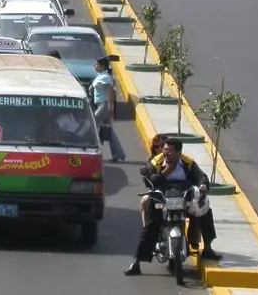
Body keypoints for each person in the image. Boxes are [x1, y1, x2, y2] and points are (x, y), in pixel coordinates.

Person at [125, 137, 221, 276]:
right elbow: (149, 176)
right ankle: (137, 262)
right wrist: (160, 173)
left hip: (183, 197)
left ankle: (207, 248)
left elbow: (201, 176)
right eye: (165, 150)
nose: (166, 154)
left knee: (205, 212)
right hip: (162, 197)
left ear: (179, 152)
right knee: (151, 225)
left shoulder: (187, 162)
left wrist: (203, 185)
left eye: (169, 151)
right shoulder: (157, 161)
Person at [91, 57, 126, 162]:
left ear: (102, 66)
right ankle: (118, 154)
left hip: (104, 105)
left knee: (91, 126)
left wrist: (111, 106)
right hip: (100, 105)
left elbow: (111, 92)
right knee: (109, 131)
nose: (95, 66)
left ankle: (91, 152)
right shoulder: (101, 76)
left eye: (97, 65)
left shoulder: (106, 77)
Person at [139, 134, 169, 225]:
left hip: (175, 194)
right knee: (145, 202)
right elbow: (146, 172)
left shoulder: (176, 158)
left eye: (162, 146)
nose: (159, 149)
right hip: (159, 195)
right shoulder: (153, 161)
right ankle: (146, 228)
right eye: (156, 147)